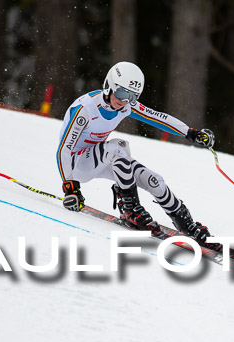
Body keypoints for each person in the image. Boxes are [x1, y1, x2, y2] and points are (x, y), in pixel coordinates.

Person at [56, 61, 218, 248]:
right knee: (119, 146)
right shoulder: (86, 109)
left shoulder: (125, 106)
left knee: (153, 180)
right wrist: (70, 187)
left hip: (101, 158)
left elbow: (158, 117)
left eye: (132, 97)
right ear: (109, 86)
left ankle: (188, 226)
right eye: (122, 93)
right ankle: (131, 209)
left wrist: (191, 133)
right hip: (76, 165)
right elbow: (64, 150)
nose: (124, 101)